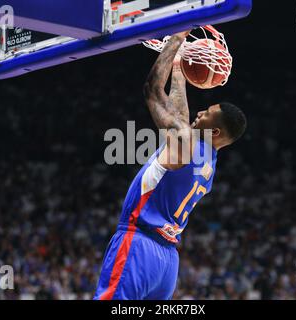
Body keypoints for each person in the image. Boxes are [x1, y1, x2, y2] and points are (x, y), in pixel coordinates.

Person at [93, 30, 247, 300]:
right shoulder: (208, 161)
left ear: (216, 133)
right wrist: (178, 67)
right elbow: (180, 115)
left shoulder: (187, 143)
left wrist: (177, 37)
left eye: (208, 113)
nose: (200, 112)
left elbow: (152, 91)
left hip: (139, 242)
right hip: (167, 262)